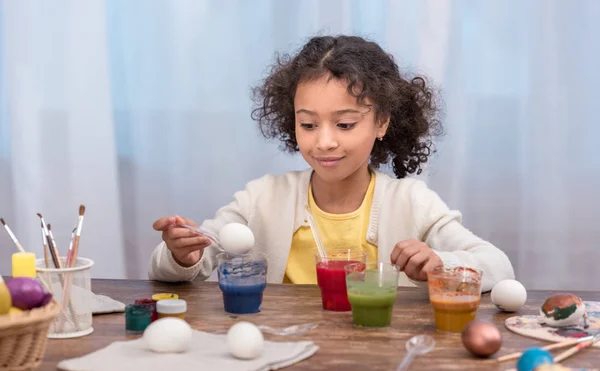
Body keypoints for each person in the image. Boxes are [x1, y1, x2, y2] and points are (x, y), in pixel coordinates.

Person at [149, 35, 514, 292]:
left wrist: (440, 264)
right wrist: (183, 255)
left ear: (382, 122)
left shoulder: (412, 203)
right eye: (308, 124)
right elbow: (176, 270)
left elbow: (499, 267)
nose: (324, 141)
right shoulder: (260, 199)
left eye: (345, 124)